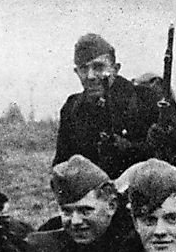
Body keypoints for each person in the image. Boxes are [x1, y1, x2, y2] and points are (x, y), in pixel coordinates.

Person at [52, 33, 160, 178]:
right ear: (76, 72)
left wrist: (130, 149)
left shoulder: (144, 99)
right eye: (83, 69)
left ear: (115, 69)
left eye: (98, 67)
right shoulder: (72, 109)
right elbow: (61, 166)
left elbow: (174, 155)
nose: (90, 76)